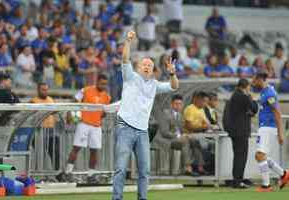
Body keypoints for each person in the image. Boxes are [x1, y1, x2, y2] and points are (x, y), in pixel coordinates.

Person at [112, 31, 179, 200]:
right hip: (125, 127)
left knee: (145, 170)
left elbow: (174, 87)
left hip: (142, 131)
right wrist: (127, 41)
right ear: (138, 67)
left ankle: (142, 198)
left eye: (150, 65)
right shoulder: (130, 77)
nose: (147, 66)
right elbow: (125, 59)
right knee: (120, 168)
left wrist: (172, 74)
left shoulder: (155, 84)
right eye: (144, 64)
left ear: (153, 70)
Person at [65, 74, 111, 182]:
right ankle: (68, 172)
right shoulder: (85, 90)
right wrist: (70, 114)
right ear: (97, 81)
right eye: (101, 83)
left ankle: (91, 175)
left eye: (105, 84)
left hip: (96, 126)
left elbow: (104, 112)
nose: (103, 86)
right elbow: (75, 100)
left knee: (94, 151)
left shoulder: (107, 97)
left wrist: (102, 115)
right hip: (84, 124)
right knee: (76, 148)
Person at [252, 71, 289, 192]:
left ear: (260, 79)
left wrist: (280, 132)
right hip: (265, 126)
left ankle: (266, 186)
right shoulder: (264, 92)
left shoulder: (269, 93)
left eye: (254, 80)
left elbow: (277, 112)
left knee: (260, 155)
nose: (253, 82)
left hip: (268, 127)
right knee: (261, 156)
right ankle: (284, 174)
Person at [228, 78, 258, 188]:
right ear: (245, 86)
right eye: (249, 86)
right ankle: (238, 181)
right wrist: (252, 97)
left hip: (236, 131)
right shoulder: (243, 96)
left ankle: (237, 179)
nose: (250, 88)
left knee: (238, 156)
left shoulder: (234, 95)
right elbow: (254, 108)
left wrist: (248, 112)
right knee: (241, 156)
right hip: (241, 131)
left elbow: (245, 111)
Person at [30, 82, 59, 170]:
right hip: (39, 132)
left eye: (46, 90)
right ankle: (39, 174)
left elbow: (56, 112)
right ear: (38, 90)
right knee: (40, 155)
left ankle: (56, 174)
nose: (45, 92)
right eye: (43, 90)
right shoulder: (33, 101)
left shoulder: (51, 100)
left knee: (55, 154)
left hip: (51, 131)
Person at [183, 91, 210, 175]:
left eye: (206, 101)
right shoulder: (190, 109)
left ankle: (201, 167)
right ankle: (192, 167)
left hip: (199, 134)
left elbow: (207, 124)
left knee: (211, 144)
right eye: (204, 101)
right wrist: (203, 127)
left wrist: (206, 126)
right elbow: (189, 126)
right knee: (202, 143)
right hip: (189, 134)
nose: (205, 104)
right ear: (197, 100)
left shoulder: (201, 110)